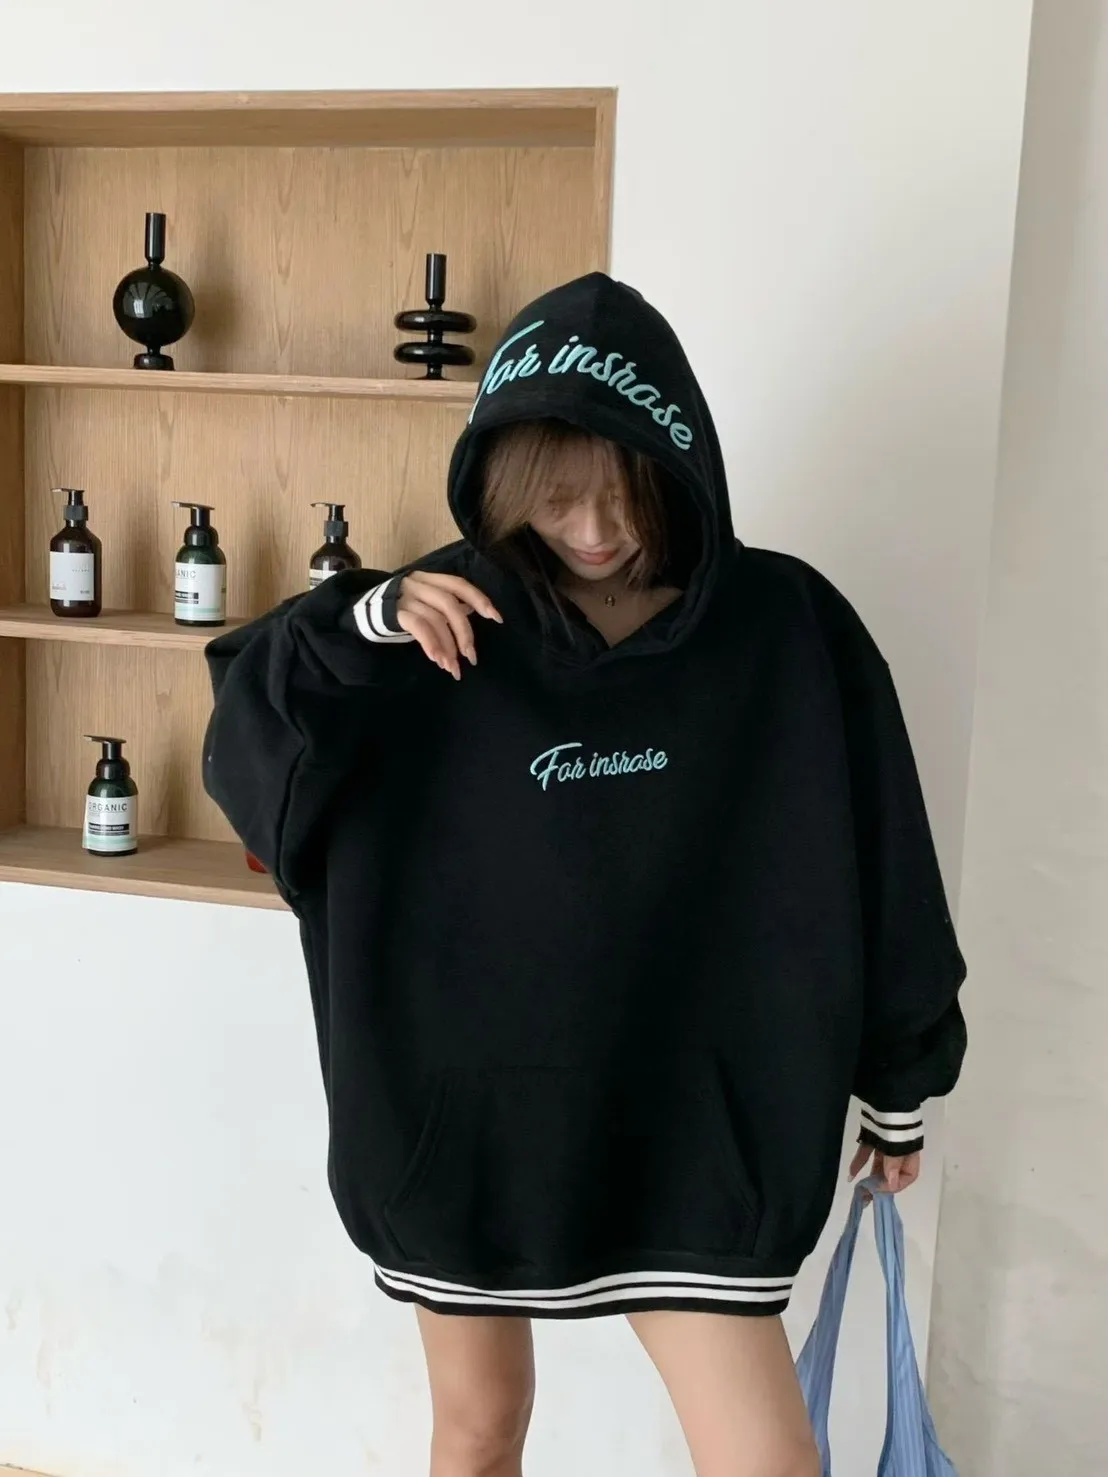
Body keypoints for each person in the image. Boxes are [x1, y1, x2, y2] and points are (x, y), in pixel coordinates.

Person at [203, 271, 967, 1477]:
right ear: (504, 480)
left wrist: (900, 1077)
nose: (597, 530)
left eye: (627, 494)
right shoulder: (435, 618)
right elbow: (255, 759)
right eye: (558, 498)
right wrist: (357, 623)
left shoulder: (786, 628)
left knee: (768, 1462)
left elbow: (884, 853)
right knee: (479, 1427)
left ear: (680, 468)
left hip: (699, 1128)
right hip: (466, 1122)